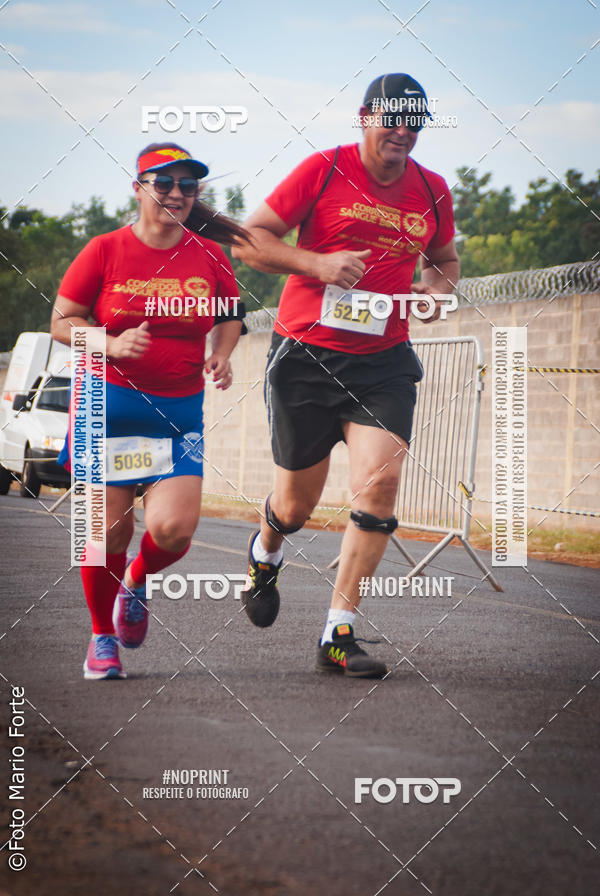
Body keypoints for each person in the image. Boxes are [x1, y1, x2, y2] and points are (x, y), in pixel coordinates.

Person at [233, 74, 459, 678]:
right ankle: (265, 551)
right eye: (393, 118)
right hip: (306, 356)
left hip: (384, 361)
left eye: (416, 120)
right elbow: (249, 240)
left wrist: (434, 293)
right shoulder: (323, 170)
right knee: (296, 505)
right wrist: (318, 263)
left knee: (379, 489)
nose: (404, 130)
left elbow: (445, 259)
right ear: (364, 117)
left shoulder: (433, 189)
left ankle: (339, 631)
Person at [51, 142, 249, 680]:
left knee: (174, 530)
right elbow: (62, 322)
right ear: (138, 188)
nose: (177, 194)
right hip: (105, 410)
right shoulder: (104, 250)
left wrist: (222, 354)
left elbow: (232, 315)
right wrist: (110, 346)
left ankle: (136, 580)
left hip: (177, 413)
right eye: (164, 183)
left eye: (188, 186)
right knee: (104, 533)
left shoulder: (209, 255)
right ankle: (101, 636)